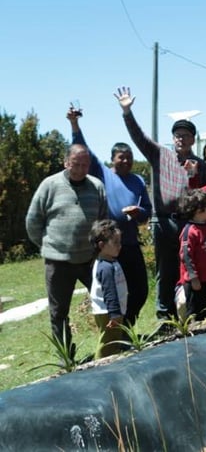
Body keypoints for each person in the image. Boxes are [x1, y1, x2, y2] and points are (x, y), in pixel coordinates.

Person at [115, 86, 206, 319]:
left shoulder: (200, 164)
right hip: (164, 222)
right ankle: (164, 316)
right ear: (172, 138)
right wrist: (127, 112)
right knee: (165, 271)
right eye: (177, 135)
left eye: (186, 135)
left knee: (192, 267)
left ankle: (192, 312)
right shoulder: (160, 155)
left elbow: (203, 197)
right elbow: (139, 137)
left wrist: (194, 175)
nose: (181, 138)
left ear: (193, 139)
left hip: (189, 223)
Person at [69, 107, 151, 326]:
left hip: (131, 244)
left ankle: (127, 327)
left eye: (129, 158)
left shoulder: (138, 181)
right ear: (112, 159)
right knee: (115, 291)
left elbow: (147, 212)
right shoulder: (103, 173)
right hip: (109, 247)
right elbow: (84, 149)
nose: (126, 161)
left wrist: (138, 212)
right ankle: (116, 332)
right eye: (121, 158)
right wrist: (75, 125)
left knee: (140, 290)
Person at [26, 144, 108, 352]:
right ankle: (67, 358)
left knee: (107, 303)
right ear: (65, 163)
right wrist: (49, 246)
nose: (80, 169)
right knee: (59, 312)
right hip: (58, 262)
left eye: (84, 164)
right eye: (75, 164)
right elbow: (33, 220)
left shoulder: (96, 186)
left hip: (90, 260)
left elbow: (103, 221)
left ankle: (111, 347)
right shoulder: (50, 185)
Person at [176, 189, 206, 321]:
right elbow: (186, 256)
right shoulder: (190, 231)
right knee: (196, 314)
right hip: (197, 283)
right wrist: (193, 277)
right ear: (198, 210)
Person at [88, 220, 128, 359]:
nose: (120, 246)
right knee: (107, 343)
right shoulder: (105, 267)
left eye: (120, 242)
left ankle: (112, 360)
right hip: (107, 312)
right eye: (115, 242)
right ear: (101, 245)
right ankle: (99, 365)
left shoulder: (111, 261)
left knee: (114, 341)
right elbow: (109, 291)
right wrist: (114, 313)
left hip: (113, 311)